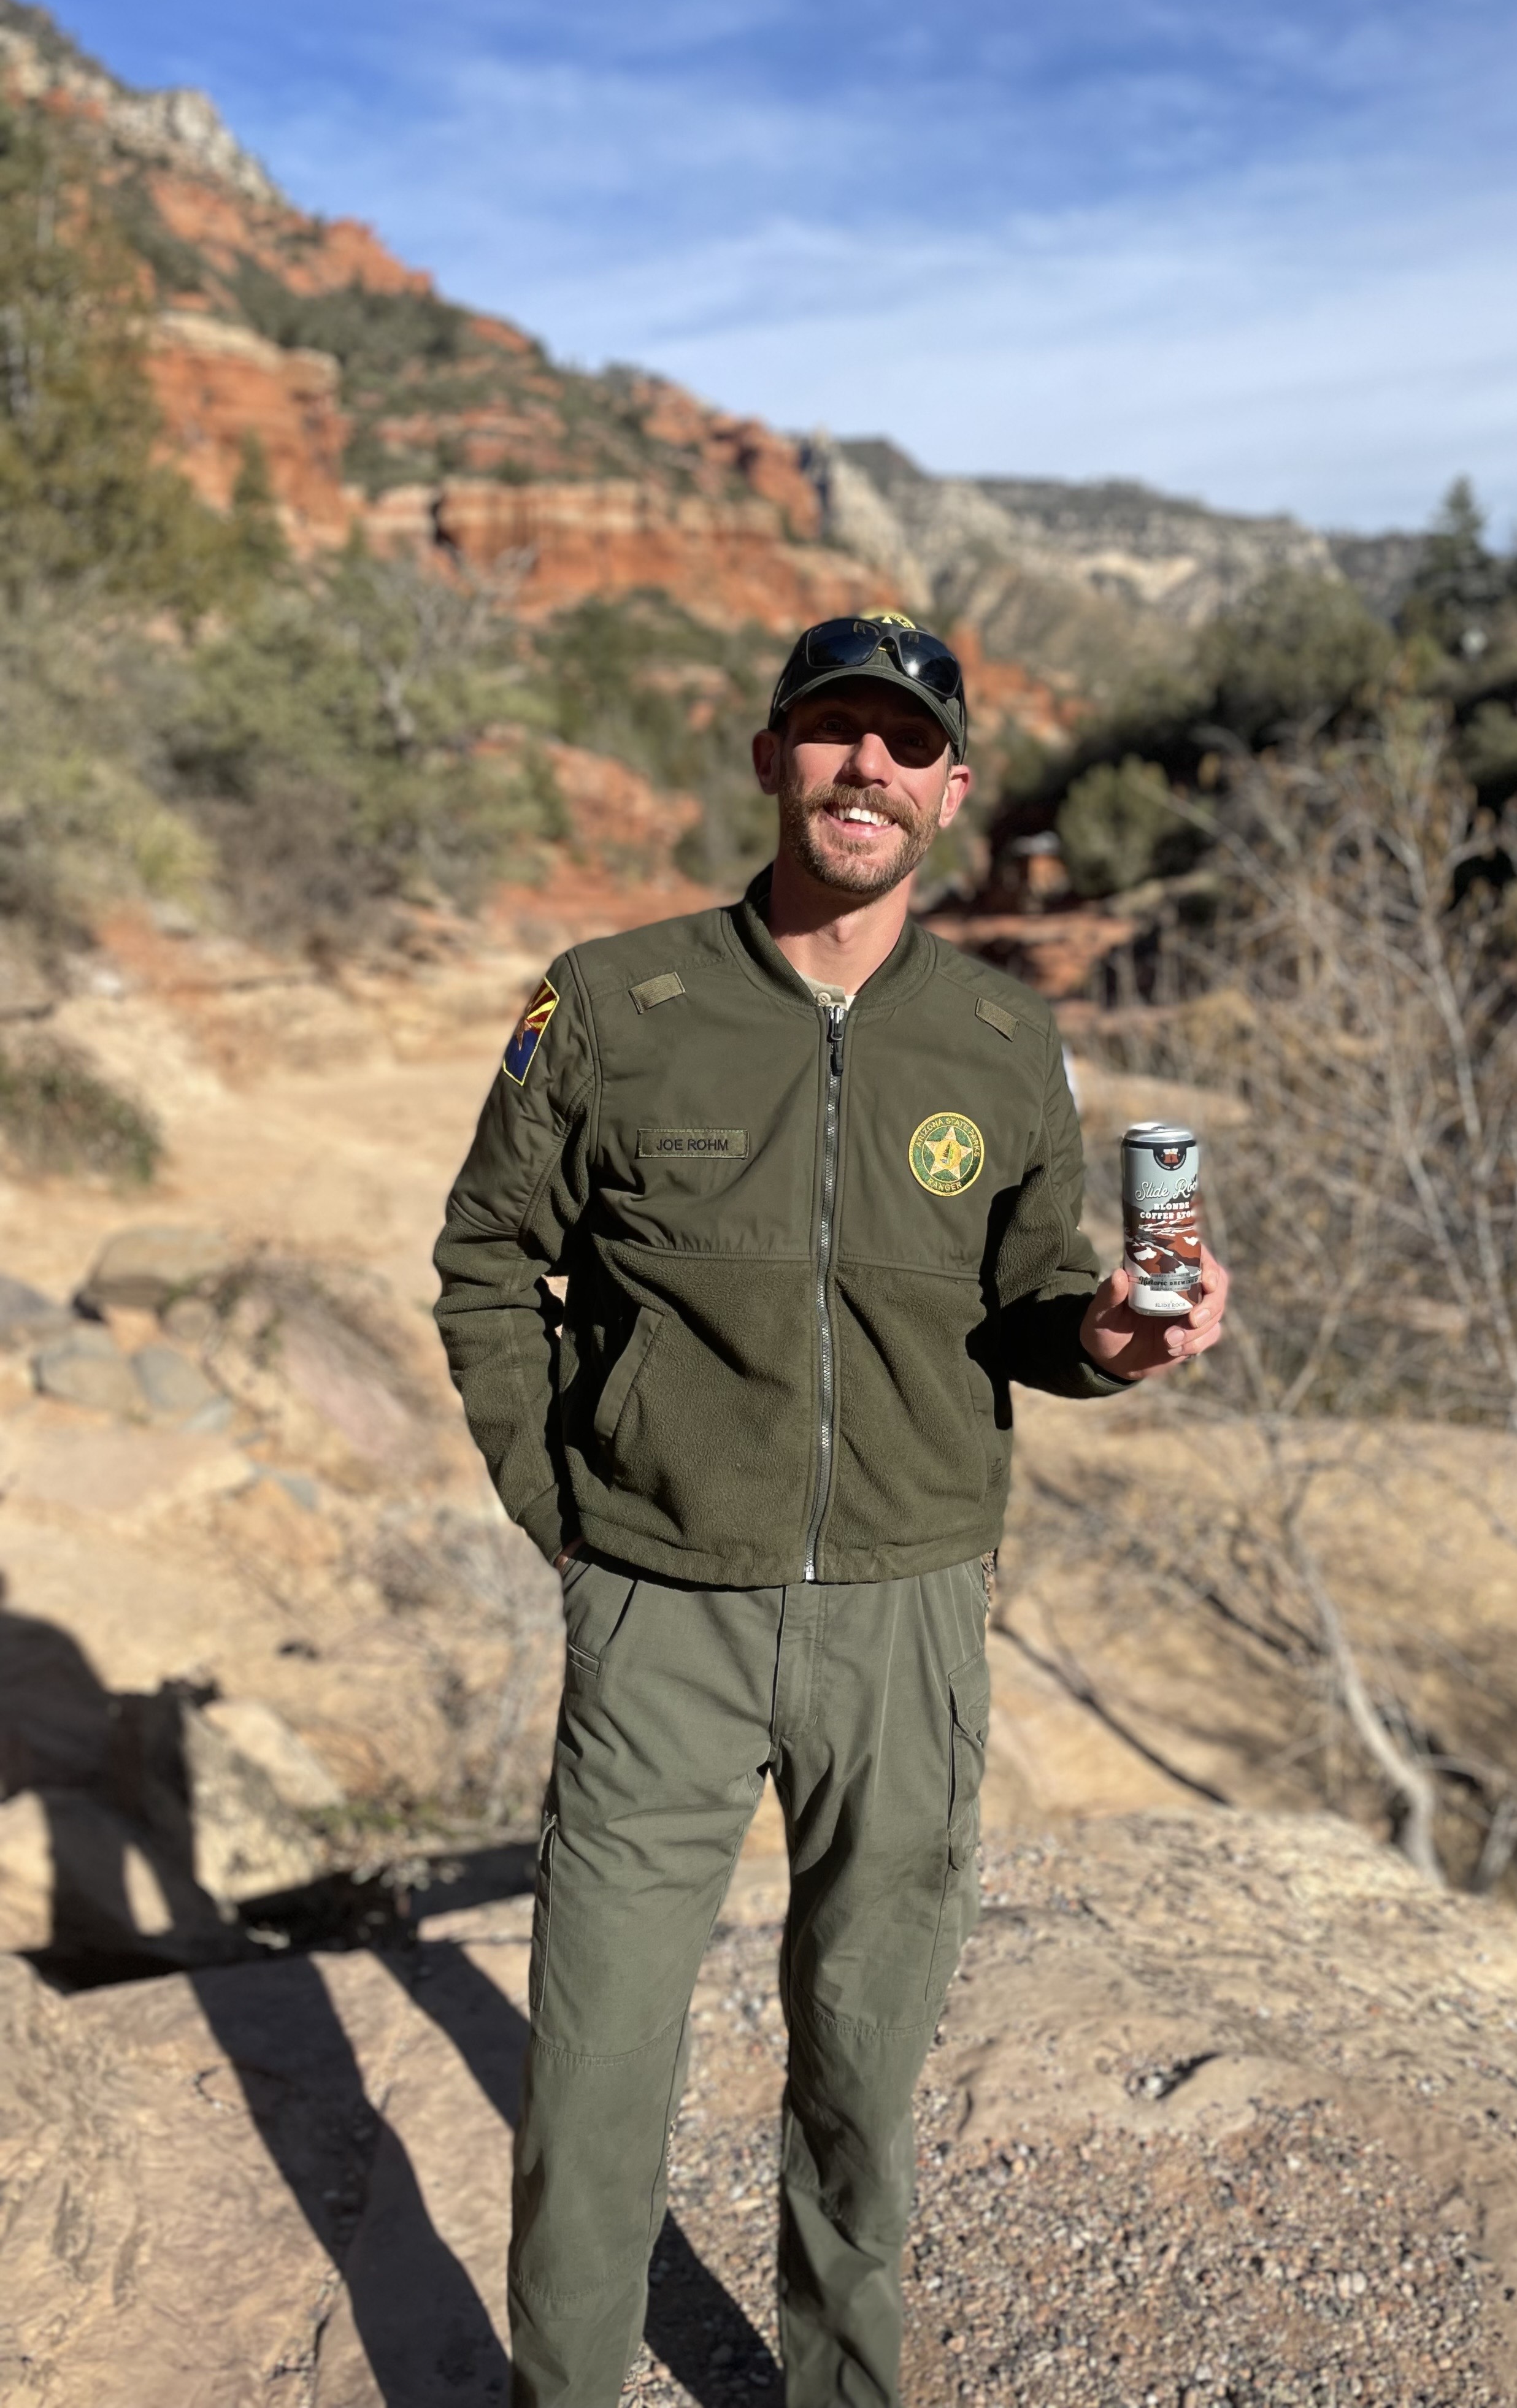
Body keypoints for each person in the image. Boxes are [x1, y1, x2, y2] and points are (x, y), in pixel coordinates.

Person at [433, 612, 1227, 2407]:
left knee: (865, 2061)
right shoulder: (614, 1001)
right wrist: (566, 1502)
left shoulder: (1001, 1038)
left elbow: (1037, 1292)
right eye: (832, 733)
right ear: (773, 760)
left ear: (949, 790)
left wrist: (1107, 1335)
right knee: (595, 2068)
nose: (864, 768)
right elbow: (486, 1266)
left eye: (903, 743)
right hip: (661, 1612)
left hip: (907, 1614)